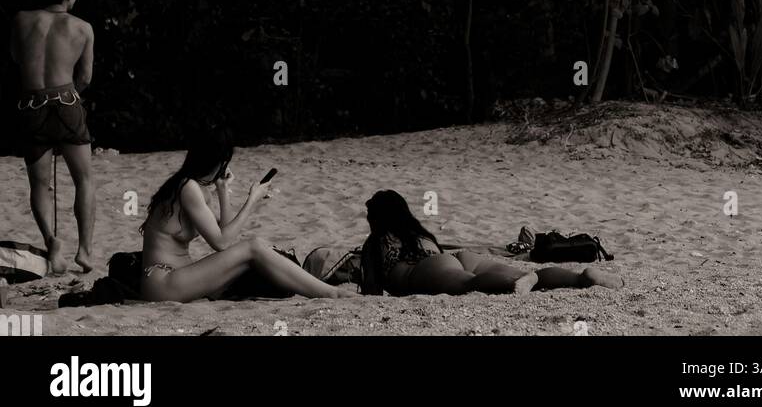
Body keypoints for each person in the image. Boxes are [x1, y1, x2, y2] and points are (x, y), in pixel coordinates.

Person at [139, 139, 355, 302]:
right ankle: (331, 293)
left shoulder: (190, 186)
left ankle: (324, 289)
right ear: (217, 162)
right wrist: (253, 199)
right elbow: (221, 243)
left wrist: (223, 190)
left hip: (178, 277)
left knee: (256, 260)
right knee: (254, 246)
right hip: (163, 282)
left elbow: (225, 235)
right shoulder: (188, 188)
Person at [360, 190, 621, 295]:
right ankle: (581, 279)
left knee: (469, 284)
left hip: (423, 271)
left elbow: (372, 290)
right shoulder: (418, 233)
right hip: (461, 256)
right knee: (533, 275)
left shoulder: (375, 242)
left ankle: (512, 284)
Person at [11, 0, 95, 275]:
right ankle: (84, 251)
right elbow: (85, 77)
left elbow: (18, 58)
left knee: (40, 184)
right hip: (67, 102)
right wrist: (71, 94)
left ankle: (51, 241)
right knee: (83, 179)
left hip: (32, 104)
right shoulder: (83, 28)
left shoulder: (21, 19)